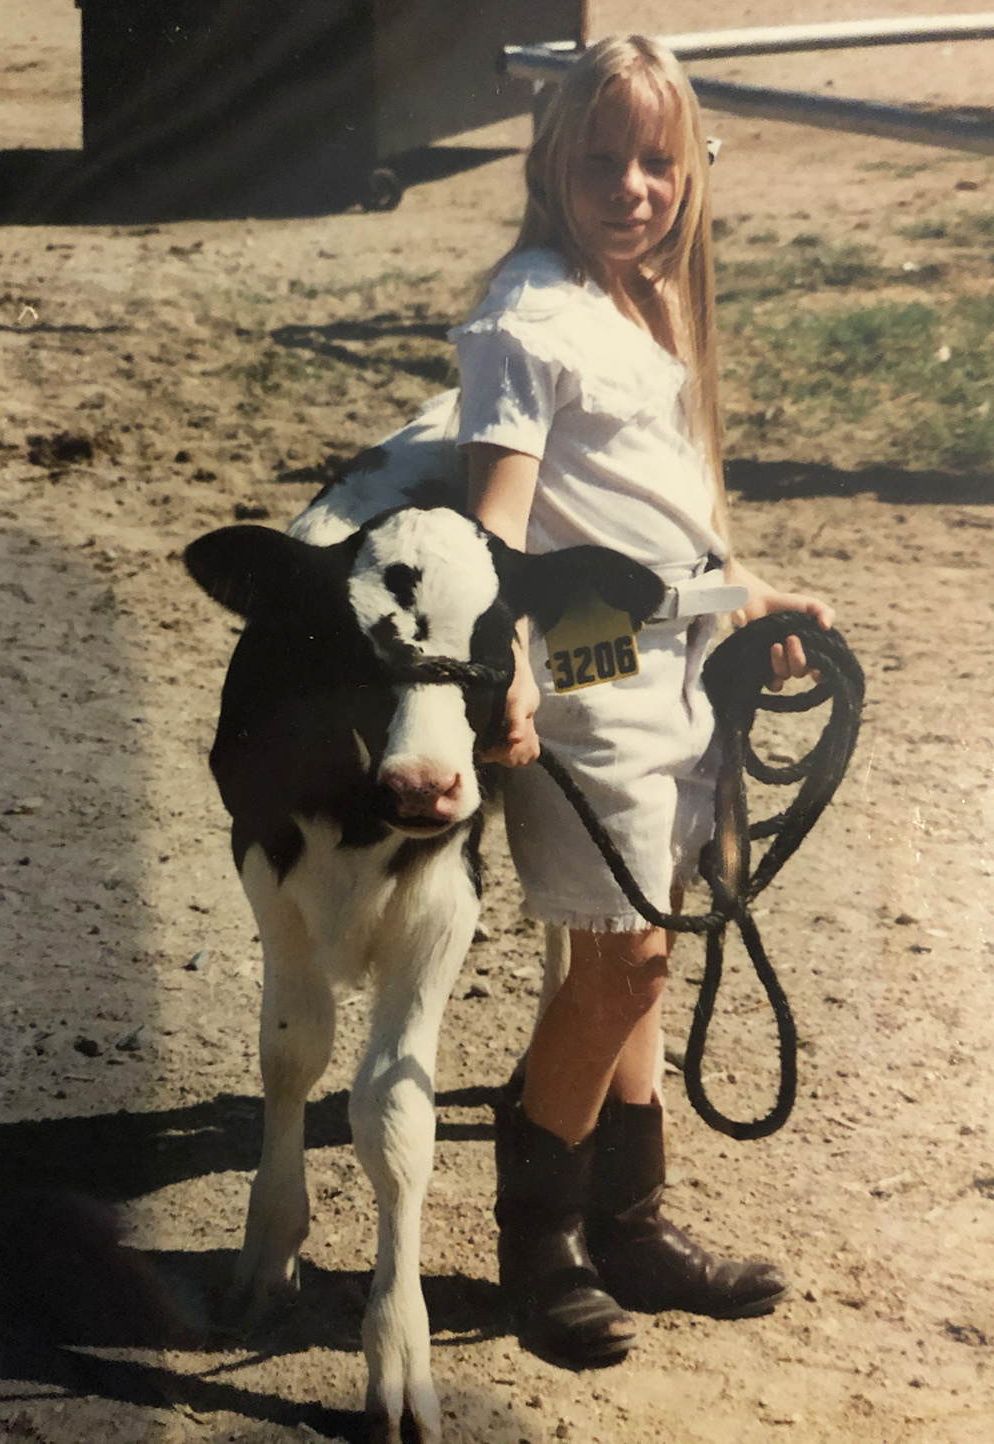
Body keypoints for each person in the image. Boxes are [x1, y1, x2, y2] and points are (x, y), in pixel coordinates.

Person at [450, 34, 836, 1367]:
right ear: (550, 164)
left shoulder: (634, 305)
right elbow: (493, 530)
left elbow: (677, 518)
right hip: (588, 658)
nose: (631, 185)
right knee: (628, 952)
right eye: (602, 160)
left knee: (649, 950)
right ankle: (538, 1239)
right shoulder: (524, 321)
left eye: (656, 163)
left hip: (674, 657)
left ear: (687, 175)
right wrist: (497, 668)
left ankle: (635, 1214)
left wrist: (756, 597)